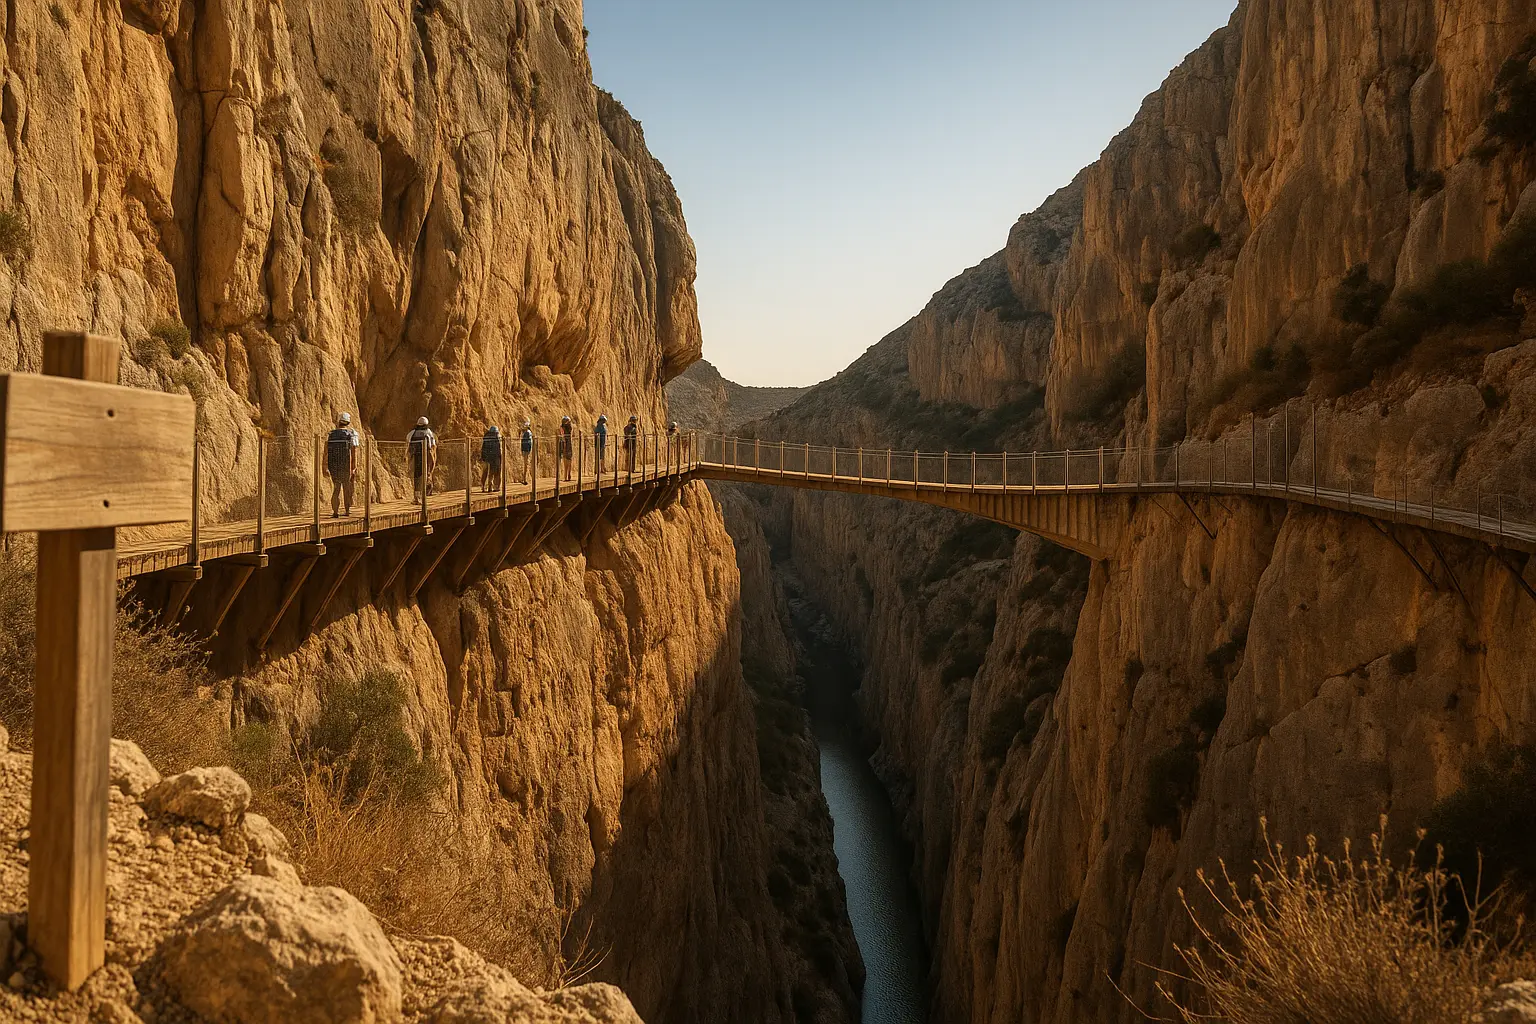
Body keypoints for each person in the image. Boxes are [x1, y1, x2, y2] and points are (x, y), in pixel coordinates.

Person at [326, 412, 360, 517]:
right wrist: (354, 467)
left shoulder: (331, 434)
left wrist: (325, 465)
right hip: (346, 465)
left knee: (336, 488)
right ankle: (347, 510)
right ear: (348, 422)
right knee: (346, 488)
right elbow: (353, 452)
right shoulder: (351, 434)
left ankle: (335, 512)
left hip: (334, 465)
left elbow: (325, 451)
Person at [409, 416, 437, 500]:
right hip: (426, 455)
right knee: (427, 473)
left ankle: (417, 496)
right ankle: (425, 495)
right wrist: (432, 460)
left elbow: (408, 445)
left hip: (416, 457)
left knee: (417, 476)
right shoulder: (429, 433)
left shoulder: (412, 433)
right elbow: (432, 446)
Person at [480, 425, 503, 493]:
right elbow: (498, 449)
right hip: (494, 457)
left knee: (485, 472)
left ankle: (483, 487)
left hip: (485, 456)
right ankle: (492, 486)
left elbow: (483, 447)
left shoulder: (486, 436)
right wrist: (499, 457)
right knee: (493, 472)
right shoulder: (497, 437)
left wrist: (483, 457)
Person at [559, 416, 574, 480]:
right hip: (569, 444)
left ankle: (565, 476)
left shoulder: (562, 428)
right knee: (569, 459)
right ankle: (568, 474)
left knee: (565, 460)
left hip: (565, 444)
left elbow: (562, 436)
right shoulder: (570, 428)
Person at [519, 420, 534, 485]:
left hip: (526, 450)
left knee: (526, 464)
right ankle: (524, 479)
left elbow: (525, 442)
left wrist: (524, 450)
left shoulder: (527, 433)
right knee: (526, 464)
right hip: (527, 450)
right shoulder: (528, 432)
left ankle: (524, 479)